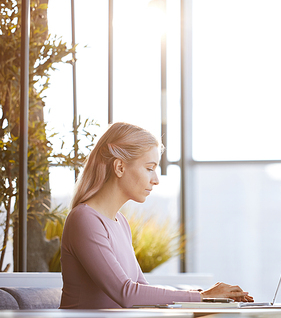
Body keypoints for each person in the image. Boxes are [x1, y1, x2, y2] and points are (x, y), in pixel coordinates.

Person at [60, 122, 253, 309]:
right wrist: (202, 296)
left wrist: (210, 296)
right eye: (149, 168)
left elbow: (141, 289)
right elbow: (125, 293)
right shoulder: (84, 219)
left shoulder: (121, 223)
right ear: (119, 167)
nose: (156, 180)